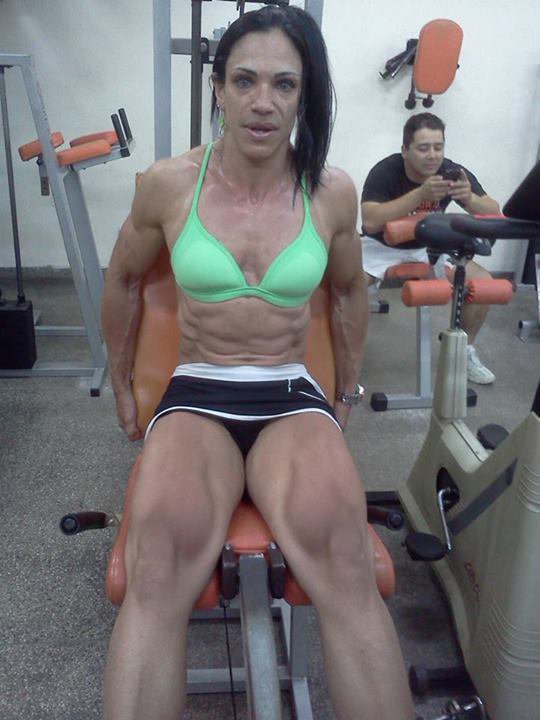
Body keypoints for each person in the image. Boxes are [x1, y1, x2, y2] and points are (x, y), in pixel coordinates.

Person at [101, 5, 415, 720]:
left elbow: (348, 292)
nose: (263, 102)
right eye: (244, 80)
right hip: (197, 391)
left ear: (306, 94)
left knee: (346, 563)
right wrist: (121, 386)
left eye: (284, 84)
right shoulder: (169, 184)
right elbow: (122, 279)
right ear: (218, 88)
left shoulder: (331, 191)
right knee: (156, 569)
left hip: (289, 394)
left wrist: (347, 391)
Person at [361, 112, 501, 385]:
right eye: (423, 148)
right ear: (405, 150)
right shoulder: (386, 171)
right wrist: (419, 195)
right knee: (346, 288)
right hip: (381, 245)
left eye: (438, 147)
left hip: (430, 247)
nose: (432, 155)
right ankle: (346, 356)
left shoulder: (451, 171)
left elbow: (494, 213)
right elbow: (370, 220)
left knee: (483, 283)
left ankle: (463, 352)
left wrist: (469, 198)